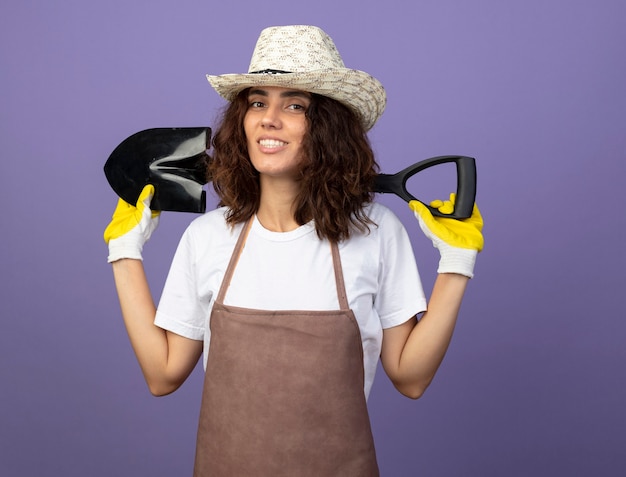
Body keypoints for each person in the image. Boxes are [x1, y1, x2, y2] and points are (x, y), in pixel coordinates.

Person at [103, 25, 483, 477]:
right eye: (258, 102)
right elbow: (162, 374)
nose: (269, 118)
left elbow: (411, 377)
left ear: (327, 128)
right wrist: (124, 250)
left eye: (295, 105)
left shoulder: (376, 231)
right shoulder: (208, 238)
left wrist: (456, 263)